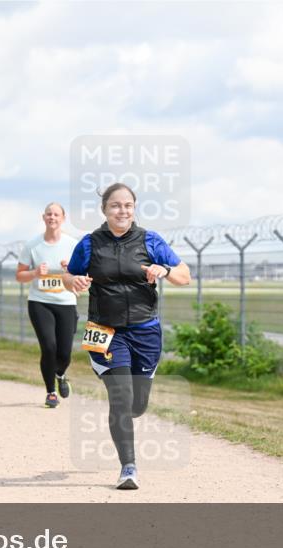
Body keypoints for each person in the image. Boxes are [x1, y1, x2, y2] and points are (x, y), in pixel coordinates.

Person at [63, 183, 191, 490]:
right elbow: (68, 276)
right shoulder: (89, 244)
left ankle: (130, 418)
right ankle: (128, 468)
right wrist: (73, 281)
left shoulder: (150, 240)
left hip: (145, 332)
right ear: (105, 209)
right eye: (115, 205)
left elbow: (184, 276)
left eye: (128, 205)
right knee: (120, 396)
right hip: (104, 330)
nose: (122, 210)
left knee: (136, 406)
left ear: (134, 209)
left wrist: (164, 270)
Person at [15, 203, 79, 408]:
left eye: (56, 214)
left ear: (63, 218)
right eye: (49, 214)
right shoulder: (32, 245)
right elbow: (19, 275)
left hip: (66, 303)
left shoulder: (73, 245)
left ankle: (60, 374)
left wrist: (71, 270)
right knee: (49, 347)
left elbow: (83, 274)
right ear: (43, 218)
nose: (52, 217)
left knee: (65, 354)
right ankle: (51, 392)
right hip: (40, 302)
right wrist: (35, 273)